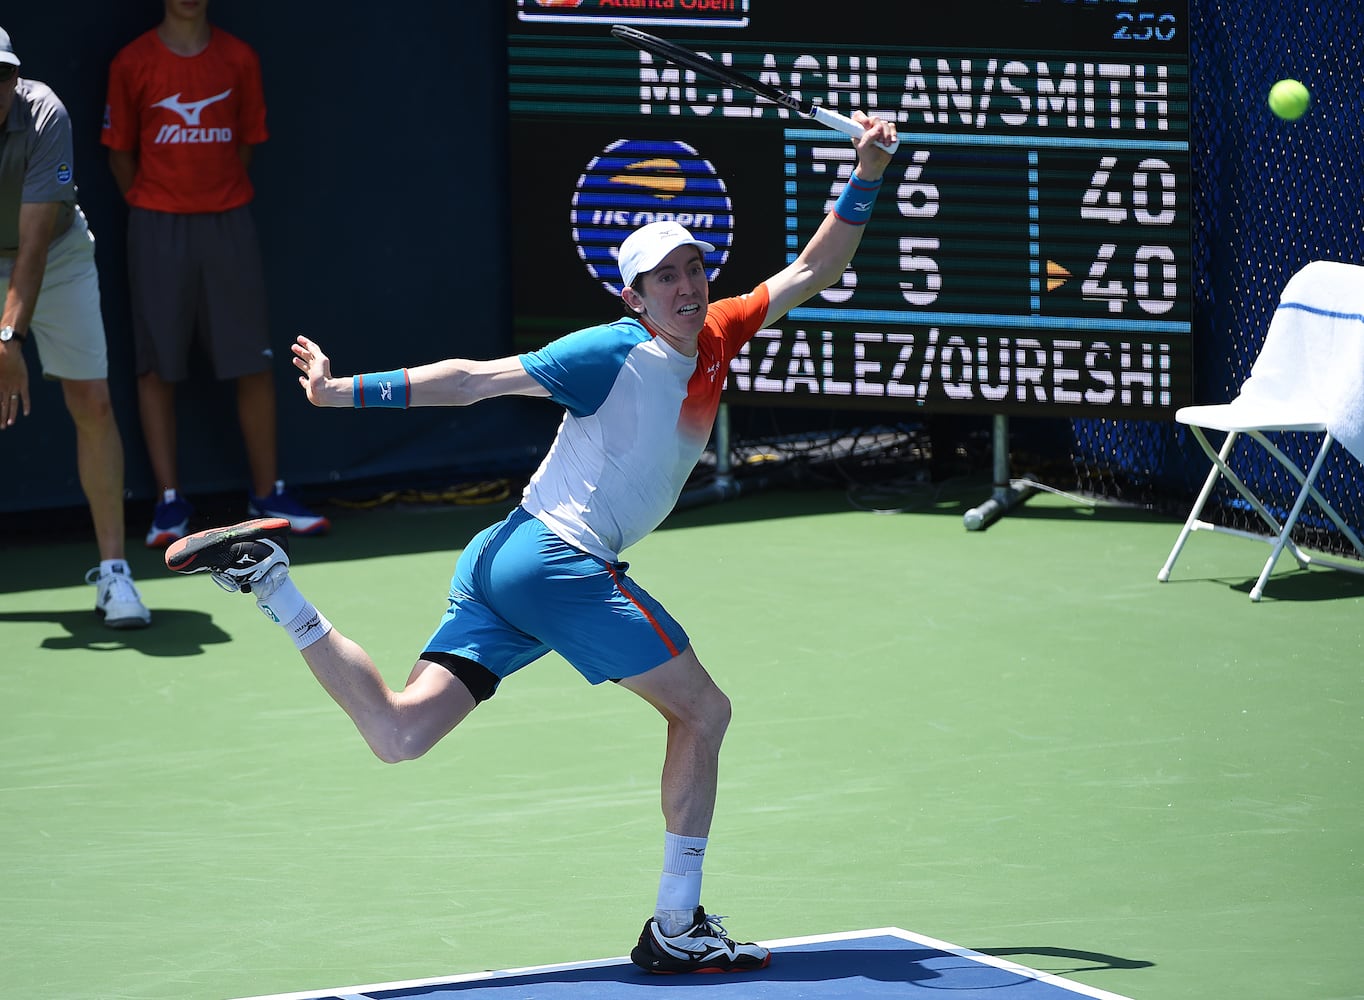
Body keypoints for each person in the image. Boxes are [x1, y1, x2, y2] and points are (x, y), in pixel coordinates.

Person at [167, 110, 897, 973]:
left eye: (694, 268)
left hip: (504, 559)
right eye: (664, 279)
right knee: (704, 711)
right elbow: (474, 381)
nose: (687, 287)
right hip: (557, 560)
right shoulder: (607, 352)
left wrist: (869, 170)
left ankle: (277, 586)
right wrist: (339, 395)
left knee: (400, 735)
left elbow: (818, 266)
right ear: (633, 296)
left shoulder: (722, 331)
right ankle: (677, 925)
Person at [102, 0, 328, 548]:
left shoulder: (238, 59)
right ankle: (169, 502)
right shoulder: (131, 62)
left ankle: (268, 493)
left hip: (228, 222)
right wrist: (157, 205)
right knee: (157, 365)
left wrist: (210, 201)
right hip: (156, 225)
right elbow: (120, 153)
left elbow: (247, 145)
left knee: (253, 359)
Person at [0, 26, 151, 629]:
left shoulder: (44, 115)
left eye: (6, 73)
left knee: (92, 402)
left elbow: (33, 247)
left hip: (55, 255)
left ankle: (114, 573)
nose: (1, 85)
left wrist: (8, 338)